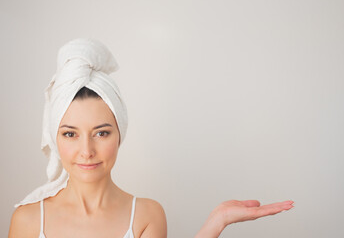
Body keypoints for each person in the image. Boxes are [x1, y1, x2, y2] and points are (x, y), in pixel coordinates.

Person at [8, 38, 294, 238]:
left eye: (101, 133)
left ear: (120, 133)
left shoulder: (146, 216)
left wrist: (214, 224)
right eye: (70, 134)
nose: (86, 150)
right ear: (54, 138)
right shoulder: (29, 221)